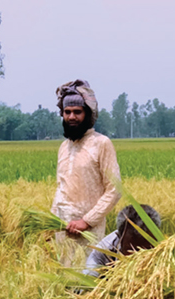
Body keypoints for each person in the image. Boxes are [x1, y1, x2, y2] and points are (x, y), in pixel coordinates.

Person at [52, 79, 121, 266]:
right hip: (62, 230)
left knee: (85, 281)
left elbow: (114, 190)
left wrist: (86, 221)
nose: (71, 117)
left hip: (88, 233)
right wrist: (51, 223)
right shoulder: (63, 148)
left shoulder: (102, 144)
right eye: (67, 112)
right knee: (63, 280)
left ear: (88, 114)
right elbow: (61, 189)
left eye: (77, 112)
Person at [82, 204, 161, 278]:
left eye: (147, 249)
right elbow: (86, 287)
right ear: (119, 238)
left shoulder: (167, 251)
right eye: (131, 250)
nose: (139, 256)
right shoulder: (101, 255)